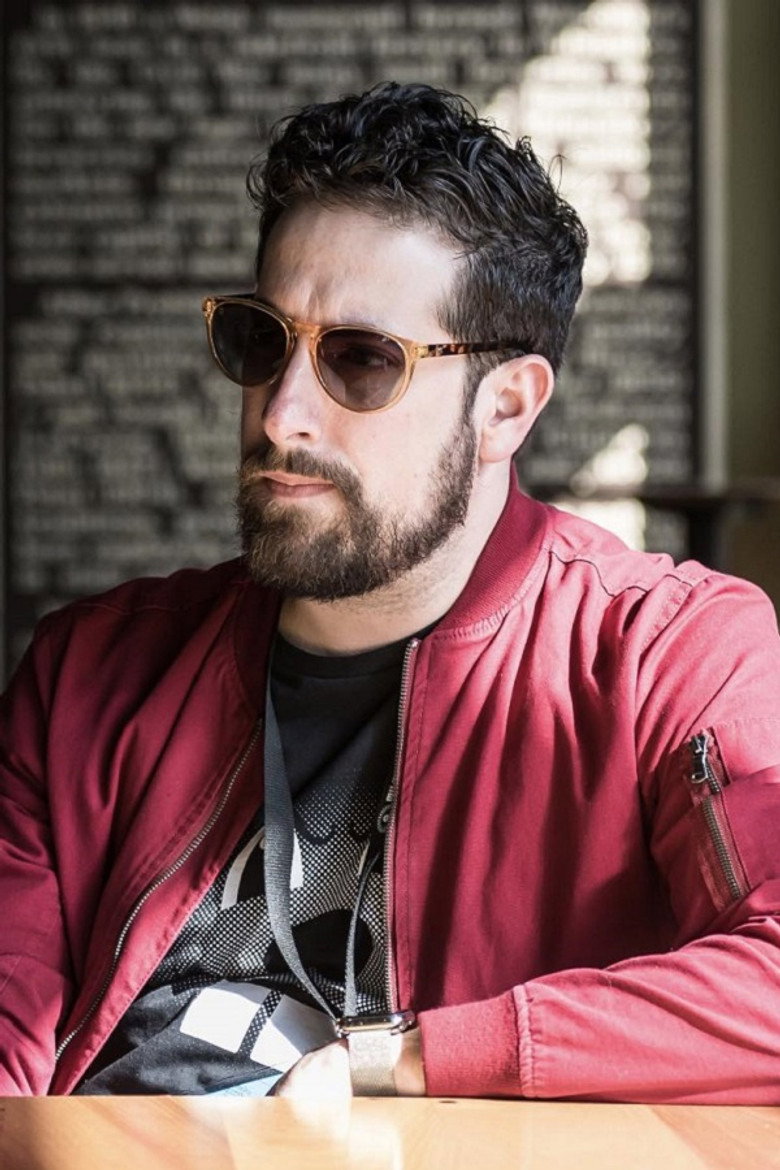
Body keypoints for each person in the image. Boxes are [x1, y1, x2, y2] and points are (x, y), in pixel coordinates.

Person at [1, 82, 779, 1103]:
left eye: (361, 360)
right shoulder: (88, 673)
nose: (281, 414)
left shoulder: (665, 652)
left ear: (506, 408)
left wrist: (407, 1059)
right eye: (262, 341)